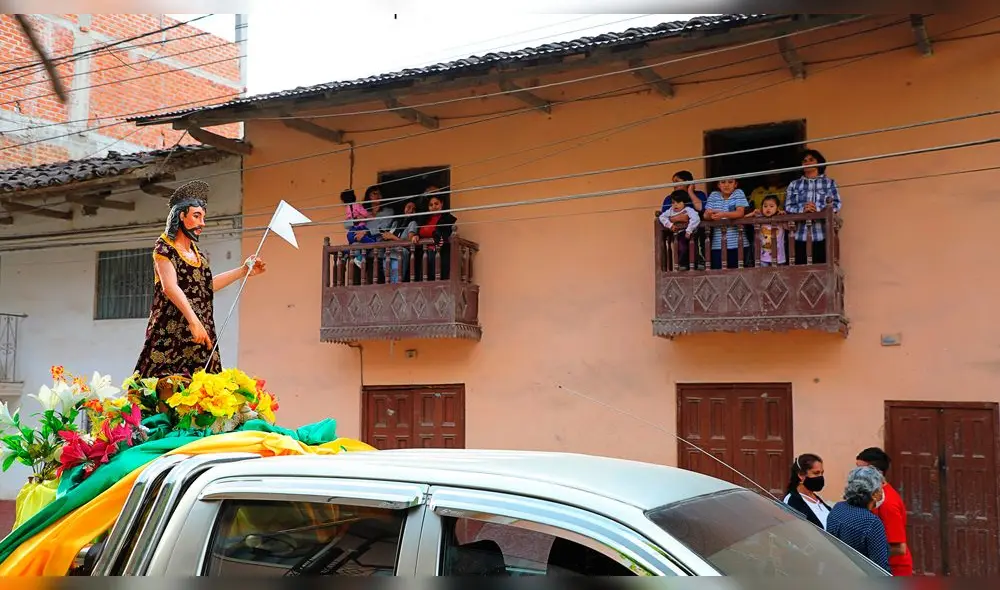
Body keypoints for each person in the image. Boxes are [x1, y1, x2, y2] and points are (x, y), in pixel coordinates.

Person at [134, 180, 266, 378]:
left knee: (204, 390)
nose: (202, 223)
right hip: (171, 335)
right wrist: (193, 322)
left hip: (200, 335)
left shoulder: (198, 255)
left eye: (203, 218)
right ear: (181, 216)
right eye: (196, 216)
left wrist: (242, 270)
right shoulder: (164, 249)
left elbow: (205, 287)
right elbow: (170, 287)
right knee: (164, 387)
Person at [857, 447, 913, 576]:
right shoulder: (873, 495)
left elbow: (899, 549)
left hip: (894, 570)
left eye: (860, 470)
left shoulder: (887, 504)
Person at [825, 466, 891, 574]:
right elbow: (881, 568)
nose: (882, 492)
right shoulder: (871, 522)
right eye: (880, 489)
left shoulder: (838, 508)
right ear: (874, 494)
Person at [784, 149, 841, 265]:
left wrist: (817, 209)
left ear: (819, 163)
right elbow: (788, 206)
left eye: (811, 160)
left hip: (823, 236)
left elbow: (836, 204)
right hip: (799, 237)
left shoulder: (829, 183)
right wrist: (803, 210)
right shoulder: (794, 184)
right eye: (804, 161)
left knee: (822, 273)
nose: (807, 162)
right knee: (801, 275)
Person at [783, 453, 832, 529]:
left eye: (822, 473)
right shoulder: (792, 501)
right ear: (801, 475)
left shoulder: (816, 499)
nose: (820, 477)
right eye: (816, 473)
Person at [659, 190, 701, 270]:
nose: (675, 205)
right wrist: (670, 225)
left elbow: (696, 219)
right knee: (681, 248)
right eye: (673, 202)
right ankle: (683, 264)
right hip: (678, 234)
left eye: (678, 202)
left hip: (690, 233)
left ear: (684, 202)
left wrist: (689, 230)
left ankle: (698, 262)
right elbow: (662, 217)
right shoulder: (670, 210)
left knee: (693, 248)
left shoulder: (688, 210)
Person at [747, 194, 788, 266]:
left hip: (778, 256)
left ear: (777, 208)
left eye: (771, 206)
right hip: (763, 257)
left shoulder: (780, 219)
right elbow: (745, 219)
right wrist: (752, 213)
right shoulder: (759, 219)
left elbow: (789, 228)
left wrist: (784, 217)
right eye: (765, 206)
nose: (768, 208)